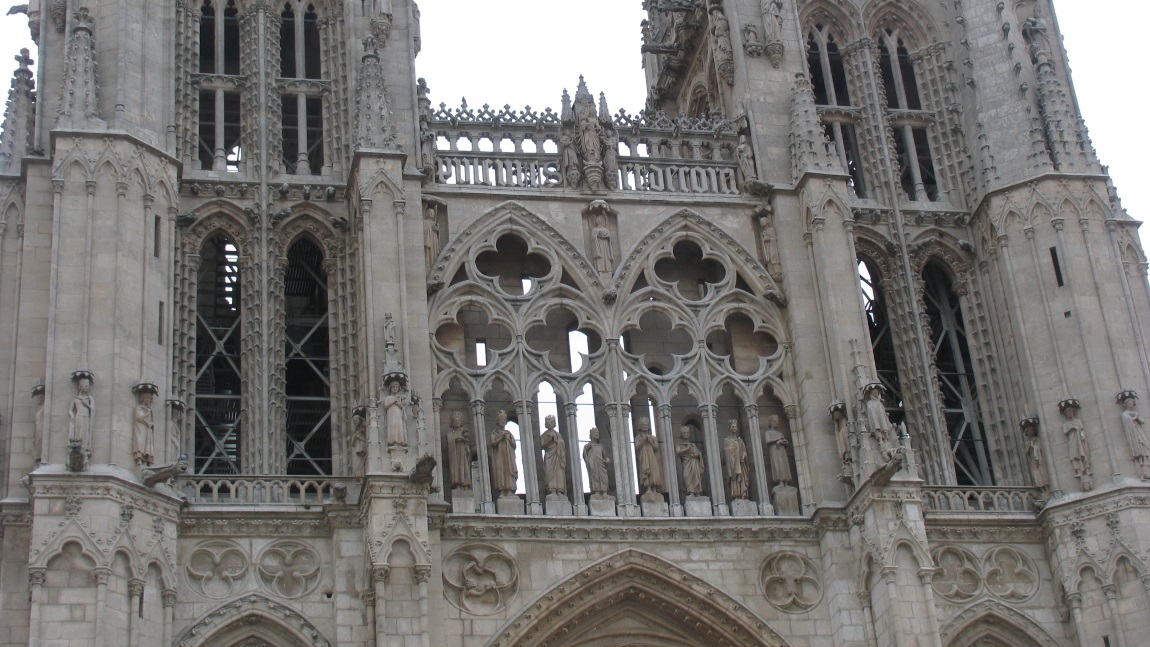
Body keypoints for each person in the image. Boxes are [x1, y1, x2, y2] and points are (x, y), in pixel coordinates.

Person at [1062, 404, 1094, 491]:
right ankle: (1079, 471)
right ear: (1066, 414)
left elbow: (1082, 430)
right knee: (1074, 455)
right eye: (1068, 413)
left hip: (1080, 440)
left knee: (1083, 453)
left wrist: (1082, 436)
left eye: (1071, 412)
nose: (1070, 414)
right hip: (1072, 440)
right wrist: (1071, 428)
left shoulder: (1078, 421)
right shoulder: (1066, 423)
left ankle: (1087, 470)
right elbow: (1065, 431)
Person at [1120, 396, 1150, 480]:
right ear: (1126, 404)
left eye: (1132, 402)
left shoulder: (1135, 412)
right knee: (1139, 445)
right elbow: (1128, 422)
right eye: (1130, 403)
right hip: (1134, 433)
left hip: (1139, 430)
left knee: (1145, 445)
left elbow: (1142, 421)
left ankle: (1146, 463)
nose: (1131, 404)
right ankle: (1142, 468)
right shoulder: (1124, 414)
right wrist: (1135, 417)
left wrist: (1137, 417)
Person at [490, 410, 518, 497]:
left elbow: (514, 445)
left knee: (509, 471)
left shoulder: (509, 433)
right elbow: (493, 443)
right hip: (499, 456)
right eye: (501, 419)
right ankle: (502, 491)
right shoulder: (494, 433)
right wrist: (500, 437)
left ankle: (510, 491)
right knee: (500, 471)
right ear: (497, 420)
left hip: (509, 456)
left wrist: (508, 439)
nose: (503, 421)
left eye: (504, 419)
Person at [539, 414, 567, 495]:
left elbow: (562, 444)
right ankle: (552, 490)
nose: (549, 423)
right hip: (549, 456)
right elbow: (542, 445)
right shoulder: (544, 435)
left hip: (557, 455)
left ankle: (559, 490)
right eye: (547, 422)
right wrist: (549, 440)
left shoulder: (558, 435)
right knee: (549, 472)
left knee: (558, 472)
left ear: (554, 423)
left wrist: (558, 441)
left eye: (551, 422)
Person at [634, 417, 663, 494]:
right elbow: (637, 447)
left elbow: (656, 448)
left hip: (652, 457)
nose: (645, 426)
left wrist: (650, 442)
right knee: (646, 471)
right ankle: (648, 488)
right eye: (643, 425)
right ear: (640, 426)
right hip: (644, 457)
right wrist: (643, 440)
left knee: (653, 471)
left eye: (646, 424)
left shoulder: (652, 437)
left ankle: (654, 489)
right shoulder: (638, 438)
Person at [723, 420, 750, 499]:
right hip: (733, 465)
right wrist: (736, 450)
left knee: (742, 477)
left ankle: (743, 494)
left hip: (741, 464)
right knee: (734, 479)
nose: (734, 428)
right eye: (733, 427)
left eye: (735, 427)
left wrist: (743, 455)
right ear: (729, 428)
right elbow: (727, 452)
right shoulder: (727, 440)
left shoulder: (740, 440)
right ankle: (736, 495)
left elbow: (744, 450)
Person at [676, 425, 705, 496]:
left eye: (687, 432)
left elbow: (698, 453)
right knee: (687, 476)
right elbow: (678, 452)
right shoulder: (679, 445)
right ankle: (691, 492)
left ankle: (697, 492)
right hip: (686, 464)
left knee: (696, 476)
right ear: (681, 434)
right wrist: (687, 449)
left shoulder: (693, 445)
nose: (686, 434)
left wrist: (697, 455)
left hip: (694, 463)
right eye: (684, 433)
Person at [763, 415, 792, 485]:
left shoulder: (780, 433)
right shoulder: (768, 433)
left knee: (784, 465)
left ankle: (786, 482)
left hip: (782, 451)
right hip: (774, 450)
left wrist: (782, 442)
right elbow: (767, 441)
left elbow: (786, 442)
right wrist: (778, 440)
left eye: (777, 421)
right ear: (771, 422)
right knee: (777, 465)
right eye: (775, 421)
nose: (777, 423)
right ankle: (781, 482)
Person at [447, 411, 472, 489]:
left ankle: (465, 485)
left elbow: (467, 443)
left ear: (461, 422)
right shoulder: (450, 434)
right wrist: (456, 439)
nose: (457, 422)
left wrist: (465, 443)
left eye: (458, 420)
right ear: (452, 422)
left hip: (463, 453)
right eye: (455, 421)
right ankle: (457, 485)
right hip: (455, 454)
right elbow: (449, 442)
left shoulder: (464, 433)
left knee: (464, 468)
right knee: (456, 469)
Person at [583, 427, 611, 495]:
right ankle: (597, 491)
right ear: (591, 435)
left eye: (598, 433)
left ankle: (604, 492)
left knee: (603, 477)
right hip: (593, 465)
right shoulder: (588, 446)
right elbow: (585, 455)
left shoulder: (601, 446)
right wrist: (586, 450)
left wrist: (607, 460)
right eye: (595, 433)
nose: (597, 435)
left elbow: (605, 456)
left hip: (601, 464)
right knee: (595, 477)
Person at [133, 391, 155, 466]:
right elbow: (138, 417)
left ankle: (147, 460)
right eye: (147, 398)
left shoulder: (149, 410)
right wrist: (147, 414)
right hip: (140, 428)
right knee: (140, 442)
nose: (148, 400)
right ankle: (139, 458)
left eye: (150, 399)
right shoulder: (138, 407)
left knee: (147, 445)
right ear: (143, 399)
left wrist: (151, 424)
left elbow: (152, 421)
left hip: (147, 429)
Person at [69, 376, 94, 443]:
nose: (87, 388)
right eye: (85, 386)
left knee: (85, 434)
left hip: (86, 417)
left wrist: (86, 404)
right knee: (79, 433)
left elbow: (93, 409)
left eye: (88, 386)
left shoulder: (89, 398)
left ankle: (85, 448)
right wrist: (72, 416)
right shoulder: (76, 398)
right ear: (81, 386)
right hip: (79, 417)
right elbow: (70, 410)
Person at [384, 379, 408, 447]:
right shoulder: (388, 397)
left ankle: (400, 443)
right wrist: (394, 400)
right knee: (392, 427)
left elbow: (402, 406)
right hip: (391, 415)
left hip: (399, 414)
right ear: (390, 388)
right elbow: (386, 405)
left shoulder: (399, 397)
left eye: (396, 387)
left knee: (399, 427)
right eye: (393, 387)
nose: (395, 388)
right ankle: (393, 443)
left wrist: (401, 401)